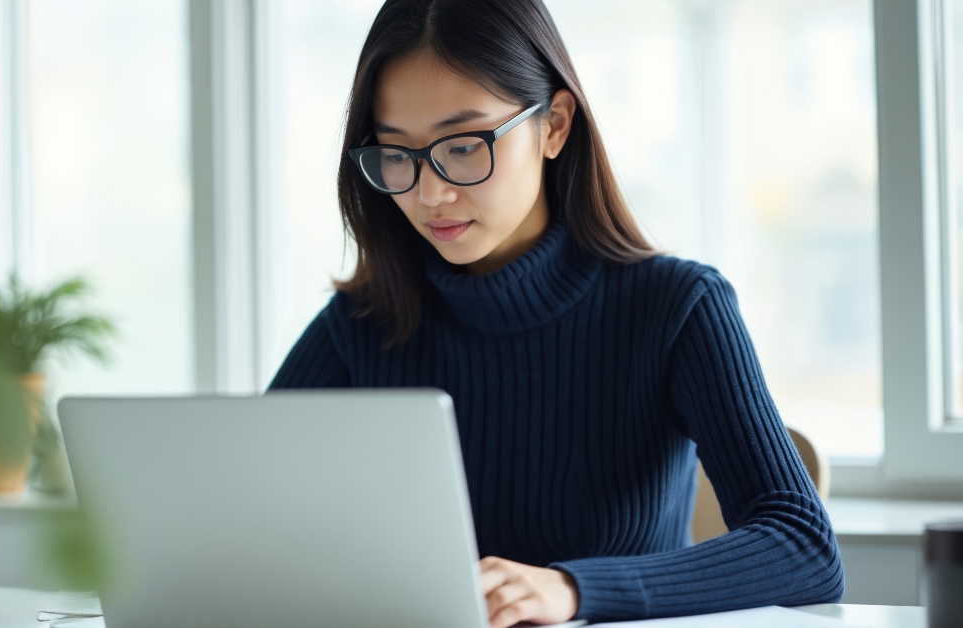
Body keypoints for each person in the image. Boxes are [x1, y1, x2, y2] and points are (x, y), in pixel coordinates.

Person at [268, 0, 844, 625]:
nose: (430, 192)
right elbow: (233, 513)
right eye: (397, 154)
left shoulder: (676, 307)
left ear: (555, 126)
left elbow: (804, 549)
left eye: (463, 147)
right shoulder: (362, 325)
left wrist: (573, 590)